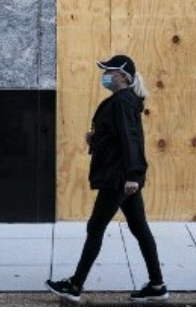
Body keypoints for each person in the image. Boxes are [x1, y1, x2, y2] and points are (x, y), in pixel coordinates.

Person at [46, 55, 167, 303]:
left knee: (96, 227)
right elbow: (118, 135)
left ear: (123, 76)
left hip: (119, 177)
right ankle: (157, 286)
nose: (105, 75)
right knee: (139, 228)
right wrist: (97, 140)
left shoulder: (122, 101)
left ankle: (75, 285)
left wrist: (133, 175)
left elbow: (130, 137)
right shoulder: (122, 100)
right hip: (123, 174)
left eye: (109, 71)